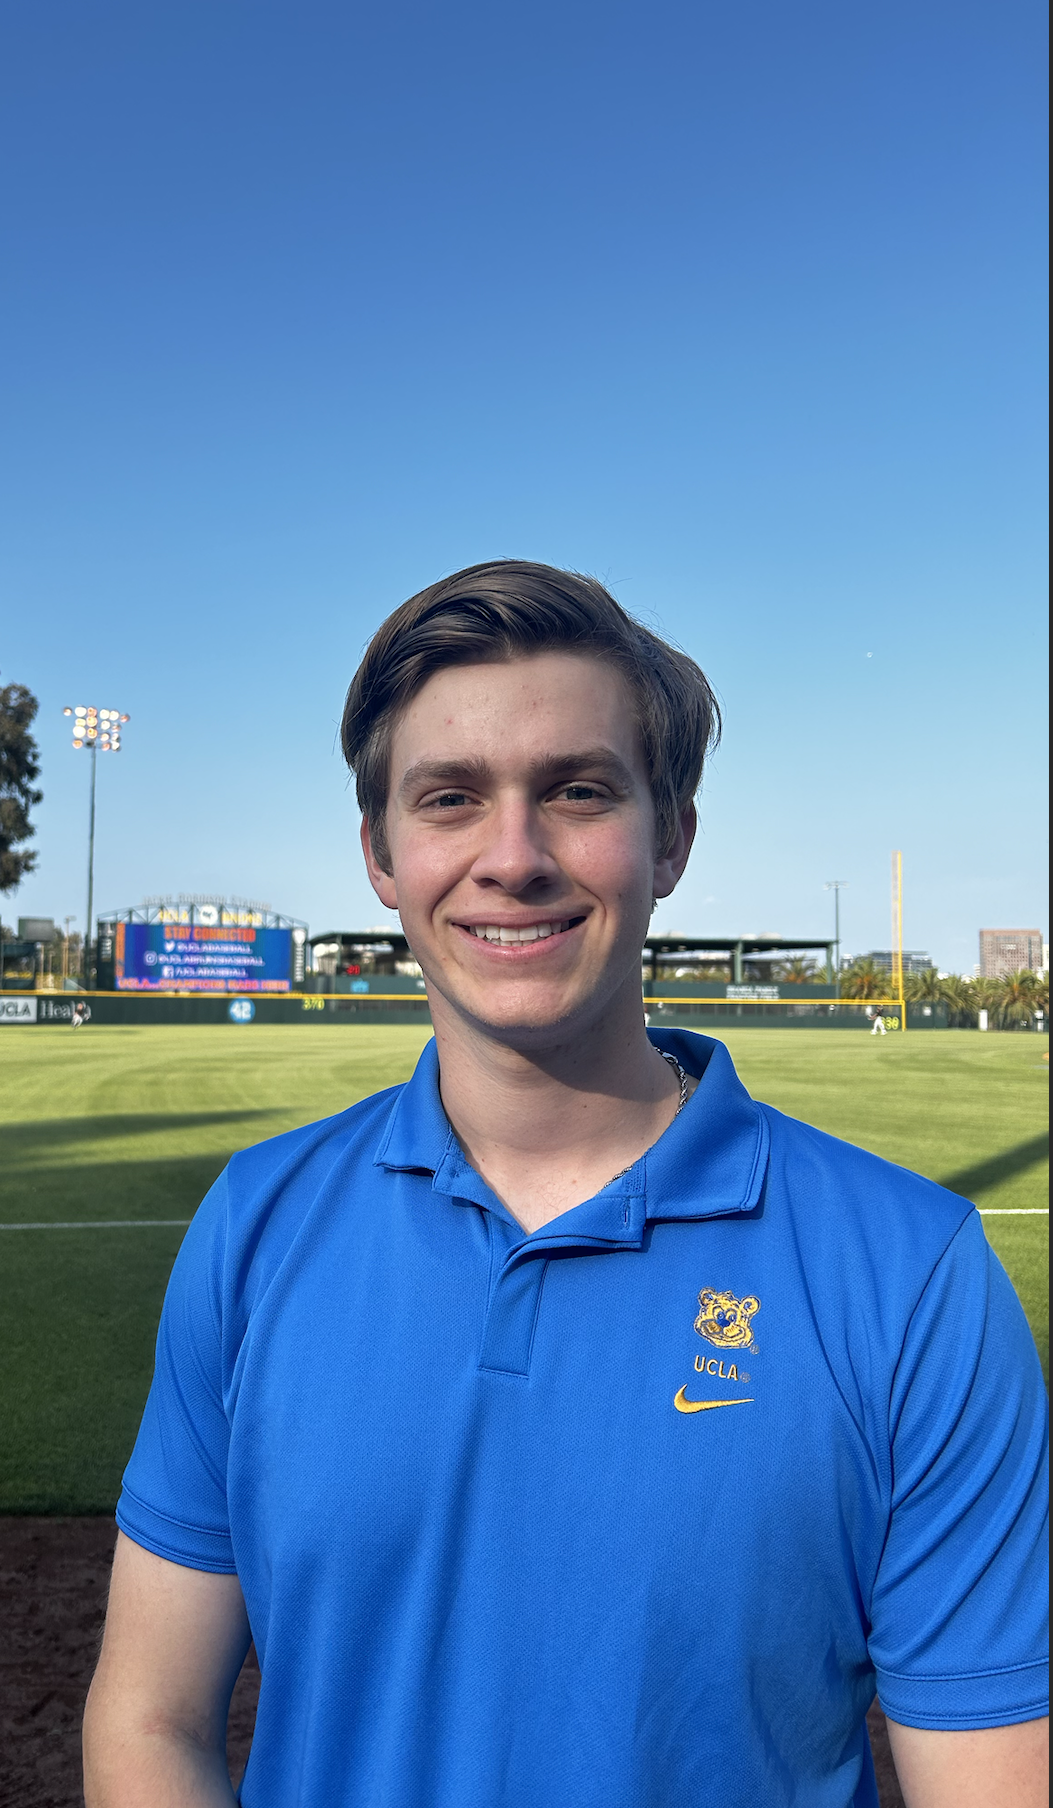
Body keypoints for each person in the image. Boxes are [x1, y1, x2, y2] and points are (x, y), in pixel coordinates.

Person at [84, 562, 1048, 1808]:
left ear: (672, 837)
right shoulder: (255, 1225)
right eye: (448, 798)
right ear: (380, 852)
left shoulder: (910, 1276)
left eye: (577, 790)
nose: (513, 856)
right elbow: (151, 1718)